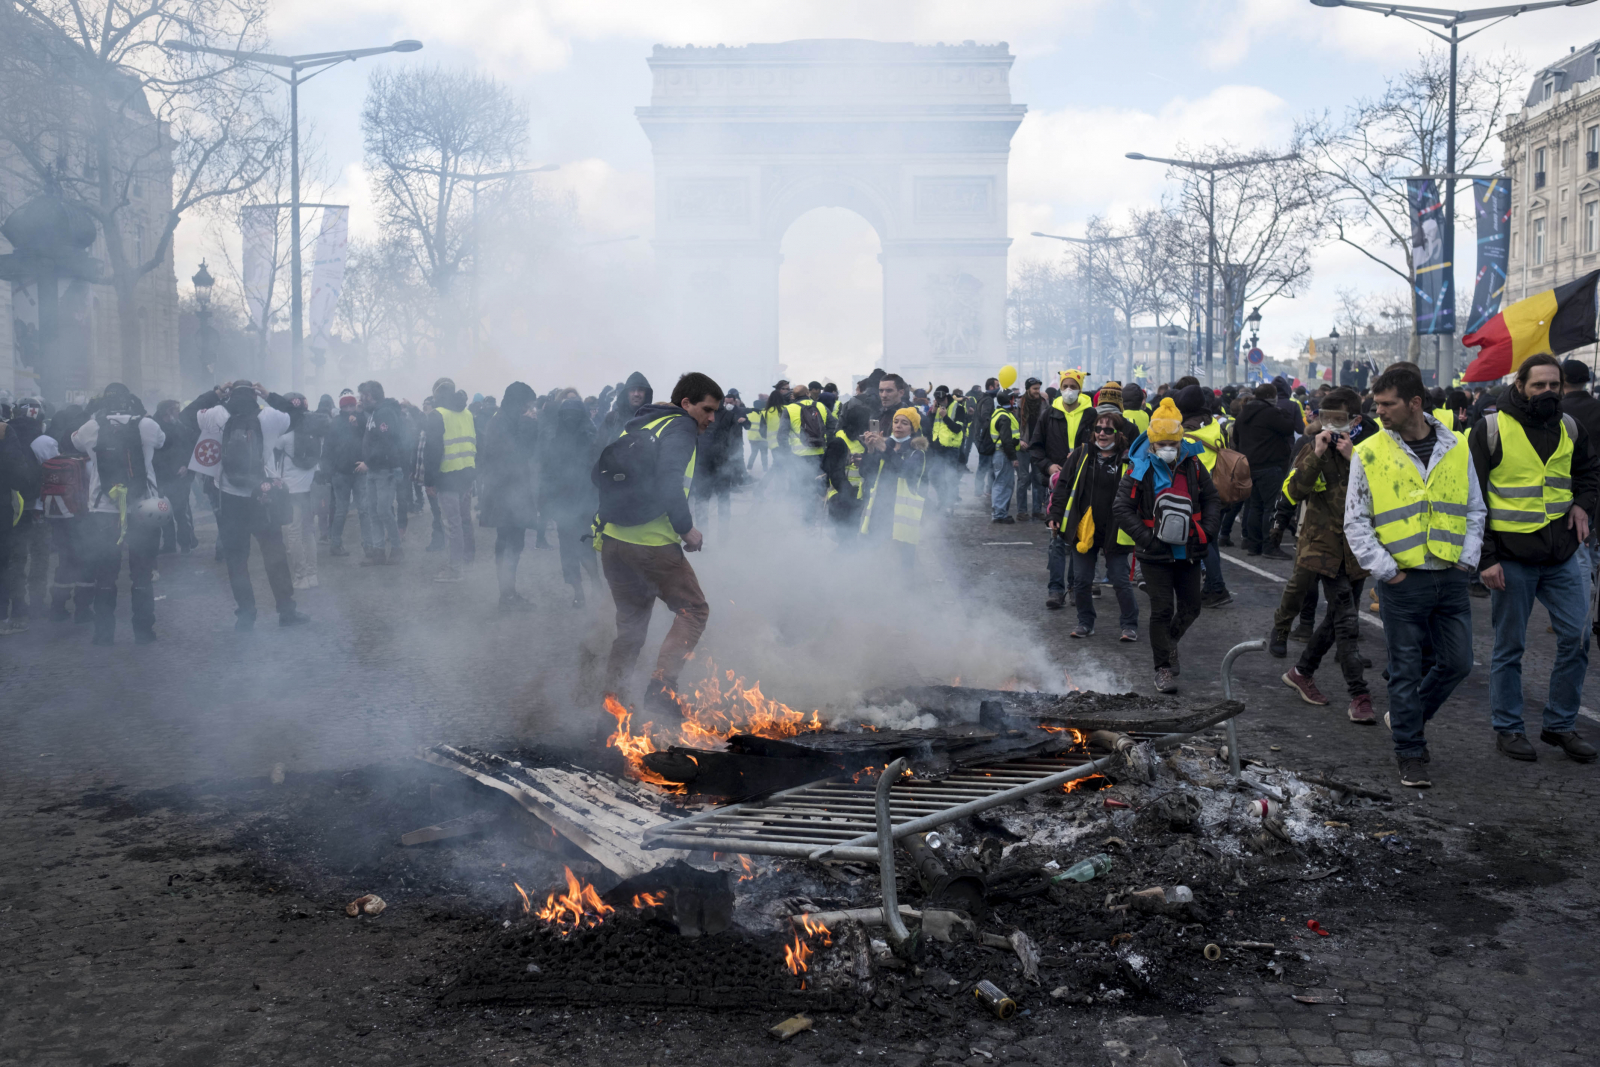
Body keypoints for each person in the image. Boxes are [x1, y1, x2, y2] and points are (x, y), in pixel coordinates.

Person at [1345, 366, 1485, 788]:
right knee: (1405, 669)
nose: (1378, 410)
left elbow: (1475, 507)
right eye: (1377, 402)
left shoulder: (1457, 446)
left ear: (1415, 403)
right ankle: (1410, 750)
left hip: (1450, 575)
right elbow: (1356, 522)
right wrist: (1388, 572)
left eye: (1387, 403)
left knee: (1459, 662)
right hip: (1403, 580)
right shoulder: (1368, 451)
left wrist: (1467, 559)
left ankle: (1406, 718)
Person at [1469, 354, 1598, 763]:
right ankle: (1507, 728)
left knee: (1578, 637)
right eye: (1538, 384)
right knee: (1510, 647)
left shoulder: (1570, 427)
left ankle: (1559, 725)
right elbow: (1471, 499)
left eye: (1553, 385)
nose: (1547, 391)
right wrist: (1485, 558)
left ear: (1562, 387)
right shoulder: (1490, 429)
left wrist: (1583, 504)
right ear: (1521, 385)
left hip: (1563, 553)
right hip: (1510, 557)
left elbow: (1589, 472)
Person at [595, 372, 720, 716]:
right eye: (707, 410)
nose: (711, 419)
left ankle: (612, 703)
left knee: (632, 624)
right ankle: (662, 693)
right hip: (652, 544)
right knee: (694, 610)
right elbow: (669, 481)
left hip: (614, 543)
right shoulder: (681, 427)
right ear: (686, 404)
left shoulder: (637, 424)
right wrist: (686, 529)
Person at [1269, 388, 1374, 723]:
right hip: (1323, 547)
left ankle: (1302, 671)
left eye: (1339, 419)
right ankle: (1359, 695)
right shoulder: (1312, 448)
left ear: (1356, 420)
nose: (1331, 425)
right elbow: (1296, 489)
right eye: (1325, 417)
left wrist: (1353, 459)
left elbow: (1380, 495)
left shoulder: (1367, 450)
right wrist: (1316, 452)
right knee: (1346, 622)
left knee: (1335, 621)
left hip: (1357, 549)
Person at [1113, 397, 1219, 693]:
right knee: (1161, 609)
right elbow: (1121, 508)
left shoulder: (1193, 464)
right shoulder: (1139, 469)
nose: (1168, 449)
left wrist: (1207, 531)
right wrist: (1146, 539)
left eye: (1173, 443)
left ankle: (1169, 642)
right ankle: (1162, 668)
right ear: (1153, 443)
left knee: (1192, 607)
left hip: (1189, 549)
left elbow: (1211, 498)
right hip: (1154, 552)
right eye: (1162, 444)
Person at [195, 381, 308, 631]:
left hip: (229, 496)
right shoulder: (269, 416)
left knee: (237, 559)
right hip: (263, 496)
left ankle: (245, 615)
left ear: (231, 394)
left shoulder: (217, 414)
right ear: (254, 394)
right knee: (274, 554)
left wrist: (214, 395)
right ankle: (286, 610)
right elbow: (299, 415)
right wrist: (269, 396)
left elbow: (186, 415)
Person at [69, 385, 165, 644]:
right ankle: (144, 632)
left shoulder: (92, 427)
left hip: (104, 509)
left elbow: (74, 441)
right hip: (143, 508)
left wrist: (92, 412)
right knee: (142, 572)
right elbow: (162, 441)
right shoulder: (146, 425)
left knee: (105, 573)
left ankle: (103, 634)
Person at [1052, 411, 1138, 641]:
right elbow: (1063, 486)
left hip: (1115, 530)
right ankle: (1085, 623)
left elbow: (1140, 493)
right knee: (1081, 580)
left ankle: (1130, 625)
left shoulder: (1129, 459)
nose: (1101, 433)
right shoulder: (1081, 454)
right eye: (1098, 429)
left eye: (1108, 430)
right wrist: (1055, 514)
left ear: (1118, 434)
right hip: (1083, 529)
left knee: (1120, 579)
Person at [479, 382, 540, 611]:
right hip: (505, 494)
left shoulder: (508, 419)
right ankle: (507, 596)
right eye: (527, 404)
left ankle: (509, 593)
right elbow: (516, 455)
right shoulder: (501, 422)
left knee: (514, 543)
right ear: (518, 403)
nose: (529, 409)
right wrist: (528, 425)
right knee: (507, 544)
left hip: (513, 492)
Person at [1175, 384, 1235, 606]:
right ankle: (1213, 586)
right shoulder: (1214, 425)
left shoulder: (1187, 434)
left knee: (1204, 542)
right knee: (1211, 540)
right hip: (1219, 489)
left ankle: (1217, 588)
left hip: (1199, 493)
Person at [542, 396, 600, 606]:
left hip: (584, 504)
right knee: (568, 550)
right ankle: (578, 592)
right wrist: (547, 503)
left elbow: (597, 472)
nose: (570, 419)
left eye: (574, 415)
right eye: (567, 415)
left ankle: (594, 583)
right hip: (563, 505)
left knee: (585, 546)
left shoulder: (590, 439)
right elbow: (547, 475)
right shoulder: (555, 441)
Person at [857, 406, 928, 570]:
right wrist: (870, 449)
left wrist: (884, 448)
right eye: (896, 422)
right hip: (879, 507)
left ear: (913, 429)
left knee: (902, 560)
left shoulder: (916, 452)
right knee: (875, 555)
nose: (898, 426)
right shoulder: (885, 444)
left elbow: (905, 471)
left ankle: (905, 591)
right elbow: (866, 472)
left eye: (904, 423)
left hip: (902, 514)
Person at [423, 378, 476, 581]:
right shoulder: (467, 412)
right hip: (466, 474)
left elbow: (432, 451)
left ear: (436, 394)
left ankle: (455, 570)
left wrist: (429, 481)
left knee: (452, 523)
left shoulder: (438, 415)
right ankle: (468, 561)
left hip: (448, 476)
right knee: (464, 521)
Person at [1234, 382, 1295, 557]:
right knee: (1271, 507)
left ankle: (1254, 545)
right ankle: (1270, 546)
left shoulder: (1243, 413)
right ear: (1272, 396)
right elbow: (1289, 428)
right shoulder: (1271, 413)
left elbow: (1236, 437)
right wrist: (1283, 413)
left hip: (1249, 466)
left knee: (1255, 506)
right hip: (1270, 465)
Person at [272, 393, 322, 590]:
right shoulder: (315, 436)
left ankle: (300, 577)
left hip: (291, 491)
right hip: (310, 489)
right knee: (308, 533)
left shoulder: (284, 438)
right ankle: (313, 575)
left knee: (293, 533)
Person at [355, 381, 407, 566]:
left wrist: (368, 462)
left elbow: (386, 442)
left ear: (372, 395)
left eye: (364, 395)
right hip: (374, 471)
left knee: (383, 511)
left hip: (384, 470)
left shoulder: (384, 413)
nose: (361, 399)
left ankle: (396, 549)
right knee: (373, 512)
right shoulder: (375, 413)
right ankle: (378, 551)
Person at [1028, 369, 1095, 487]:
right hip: (1055, 480)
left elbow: (1099, 445)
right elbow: (1035, 447)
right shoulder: (1048, 415)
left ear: (1080, 390)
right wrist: (1048, 466)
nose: (1068, 390)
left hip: (1084, 478)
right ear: (1060, 388)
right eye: (1065, 386)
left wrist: (1083, 455)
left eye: (1073, 386)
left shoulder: (1091, 415)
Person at [152, 399, 198, 555]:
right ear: (167, 412)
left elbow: (189, 447)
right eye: (176, 410)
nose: (179, 412)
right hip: (161, 475)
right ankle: (169, 544)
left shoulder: (180, 426)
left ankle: (186, 542)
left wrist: (186, 465)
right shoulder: (154, 426)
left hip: (180, 475)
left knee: (181, 511)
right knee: (164, 511)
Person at [325, 391, 365, 557]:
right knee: (341, 509)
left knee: (364, 508)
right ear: (341, 407)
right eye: (346, 406)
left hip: (359, 470)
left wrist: (358, 424)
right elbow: (328, 448)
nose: (349, 409)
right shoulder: (335, 423)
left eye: (352, 405)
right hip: (341, 473)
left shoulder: (361, 419)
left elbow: (368, 439)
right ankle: (335, 544)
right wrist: (329, 471)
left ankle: (369, 544)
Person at [823, 403, 870, 538]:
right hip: (842, 497)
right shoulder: (839, 441)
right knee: (845, 536)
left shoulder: (863, 440)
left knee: (853, 535)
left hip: (858, 496)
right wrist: (849, 495)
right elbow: (833, 471)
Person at [927, 386, 967, 514]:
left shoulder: (958, 408)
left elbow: (957, 429)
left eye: (942, 399)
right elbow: (929, 425)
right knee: (933, 475)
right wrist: (933, 412)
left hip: (951, 448)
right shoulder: (937, 407)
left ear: (947, 396)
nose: (940, 402)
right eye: (937, 400)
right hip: (937, 448)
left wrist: (945, 416)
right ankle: (942, 499)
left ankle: (949, 504)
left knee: (950, 477)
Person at [1016, 378, 1048, 521]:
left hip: (1038, 447)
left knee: (1038, 479)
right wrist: (1019, 440)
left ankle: (1037, 510)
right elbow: (1014, 425)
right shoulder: (1018, 404)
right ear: (1028, 388)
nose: (1037, 391)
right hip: (1023, 447)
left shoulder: (1044, 403)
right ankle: (1022, 511)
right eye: (1035, 388)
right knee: (1023, 479)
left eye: (1038, 388)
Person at [599, 371, 652, 450]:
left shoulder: (652, 419)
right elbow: (597, 449)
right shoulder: (612, 418)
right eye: (632, 390)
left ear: (646, 393)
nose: (636, 394)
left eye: (640, 390)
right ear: (626, 394)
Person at [989, 390, 1020, 524]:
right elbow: (1006, 440)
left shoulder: (999, 413)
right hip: (1003, 454)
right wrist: (1013, 457)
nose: (1016, 401)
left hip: (1000, 453)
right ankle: (999, 514)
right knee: (1002, 484)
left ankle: (1000, 513)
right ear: (1010, 400)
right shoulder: (1004, 417)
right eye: (1014, 399)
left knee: (1003, 483)